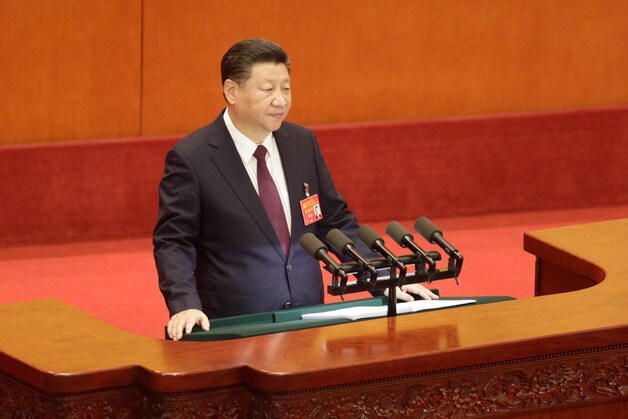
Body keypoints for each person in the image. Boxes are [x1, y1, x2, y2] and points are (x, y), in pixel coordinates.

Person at [153, 38, 437, 341]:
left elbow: (335, 223)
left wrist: (384, 278)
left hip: (309, 319)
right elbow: (174, 241)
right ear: (232, 91)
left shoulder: (301, 143)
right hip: (237, 325)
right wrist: (184, 304)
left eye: (286, 89)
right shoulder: (193, 157)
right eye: (268, 89)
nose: (281, 100)